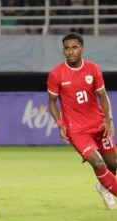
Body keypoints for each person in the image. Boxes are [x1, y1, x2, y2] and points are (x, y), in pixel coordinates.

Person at [47, 32, 117, 210]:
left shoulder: (93, 69)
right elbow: (52, 102)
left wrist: (108, 118)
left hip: (99, 124)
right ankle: (109, 187)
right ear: (63, 51)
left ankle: (103, 186)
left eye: (74, 47)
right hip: (77, 130)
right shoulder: (56, 74)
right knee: (98, 162)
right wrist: (60, 123)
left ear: (82, 49)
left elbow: (103, 96)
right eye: (67, 48)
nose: (70, 51)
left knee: (112, 164)